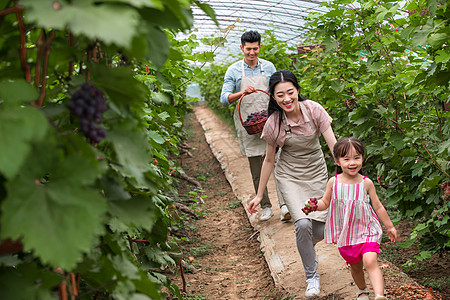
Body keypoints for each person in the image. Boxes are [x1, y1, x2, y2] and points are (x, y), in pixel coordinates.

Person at [248, 70, 337, 297]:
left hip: (316, 173)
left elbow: (334, 147)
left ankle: (307, 246)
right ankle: (312, 277)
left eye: (290, 92)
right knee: (303, 225)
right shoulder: (274, 122)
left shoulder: (314, 110)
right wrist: (259, 195)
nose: (286, 99)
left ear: (297, 90)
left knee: (321, 227)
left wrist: (347, 175)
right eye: (280, 95)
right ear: (273, 97)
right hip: (290, 176)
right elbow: (269, 159)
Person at [303, 137, 399, 300]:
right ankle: (362, 290)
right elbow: (325, 202)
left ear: (362, 158)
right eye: (346, 159)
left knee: (370, 261)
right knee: (355, 267)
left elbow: (378, 206)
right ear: (337, 161)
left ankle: (379, 295)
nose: (352, 163)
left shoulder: (366, 183)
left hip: (367, 230)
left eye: (357, 158)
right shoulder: (333, 182)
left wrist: (389, 226)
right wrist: (313, 205)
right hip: (346, 234)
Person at [221, 30, 290, 221]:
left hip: (268, 119)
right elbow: (224, 99)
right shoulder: (234, 70)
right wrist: (241, 93)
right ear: (242, 48)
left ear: (259, 47)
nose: (252, 53)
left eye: (255, 49)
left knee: (277, 164)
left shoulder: (268, 67)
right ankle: (266, 206)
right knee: (256, 167)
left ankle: (284, 205)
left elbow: (277, 91)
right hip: (248, 123)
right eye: (248, 49)